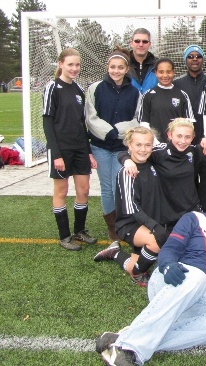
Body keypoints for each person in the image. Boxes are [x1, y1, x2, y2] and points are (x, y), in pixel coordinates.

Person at [97, 178, 206, 366]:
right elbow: (170, 248)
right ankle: (129, 349)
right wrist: (168, 264)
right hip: (172, 281)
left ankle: (125, 336)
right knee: (197, 277)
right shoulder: (194, 218)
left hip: (202, 296)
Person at [93, 126, 169, 287]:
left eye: (148, 145)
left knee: (131, 265)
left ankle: (115, 253)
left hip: (146, 222)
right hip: (130, 224)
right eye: (138, 145)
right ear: (129, 145)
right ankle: (138, 274)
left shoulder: (151, 162)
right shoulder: (127, 172)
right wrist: (155, 226)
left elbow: (171, 144)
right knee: (158, 240)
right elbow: (131, 208)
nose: (143, 149)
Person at [42, 48, 97, 251]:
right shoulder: (52, 87)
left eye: (77, 65)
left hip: (80, 148)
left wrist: (89, 151)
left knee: (83, 190)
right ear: (60, 64)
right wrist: (56, 154)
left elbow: (80, 123)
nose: (74, 68)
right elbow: (47, 122)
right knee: (62, 191)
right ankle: (64, 236)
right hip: (61, 149)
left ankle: (79, 231)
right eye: (70, 64)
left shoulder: (78, 90)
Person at [85, 46, 141, 249]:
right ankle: (112, 227)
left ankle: (124, 222)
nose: (116, 71)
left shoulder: (135, 92)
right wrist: (104, 130)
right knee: (107, 188)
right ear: (107, 67)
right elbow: (90, 116)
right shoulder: (95, 88)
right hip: (100, 146)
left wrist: (116, 130)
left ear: (126, 69)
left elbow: (137, 118)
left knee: (121, 186)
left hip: (121, 149)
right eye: (112, 67)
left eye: (120, 67)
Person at [119, 118, 200, 233]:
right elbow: (133, 152)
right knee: (171, 246)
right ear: (169, 135)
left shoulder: (194, 151)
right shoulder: (159, 152)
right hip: (169, 213)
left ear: (192, 137)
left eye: (187, 137)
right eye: (179, 136)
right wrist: (126, 160)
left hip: (192, 209)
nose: (183, 141)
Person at [138, 57, 195, 144]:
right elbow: (144, 123)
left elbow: (189, 122)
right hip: (155, 146)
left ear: (173, 72)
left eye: (168, 72)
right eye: (161, 72)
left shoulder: (182, 95)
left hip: (177, 145)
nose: (165, 75)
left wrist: (180, 141)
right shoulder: (148, 95)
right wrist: (155, 142)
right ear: (155, 73)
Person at [174, 45, 206, 144]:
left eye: (198, 56)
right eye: (190, 56)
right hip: (185, 136)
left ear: (203, 59)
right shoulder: (177, 83)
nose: (195, 59)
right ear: (185, 59)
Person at [128, 28, 158, 93]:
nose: (141, 44)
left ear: (149, 44)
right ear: (131, 43)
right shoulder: (122, 64)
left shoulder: (158, 65)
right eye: (137, 41)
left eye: (145, 41)